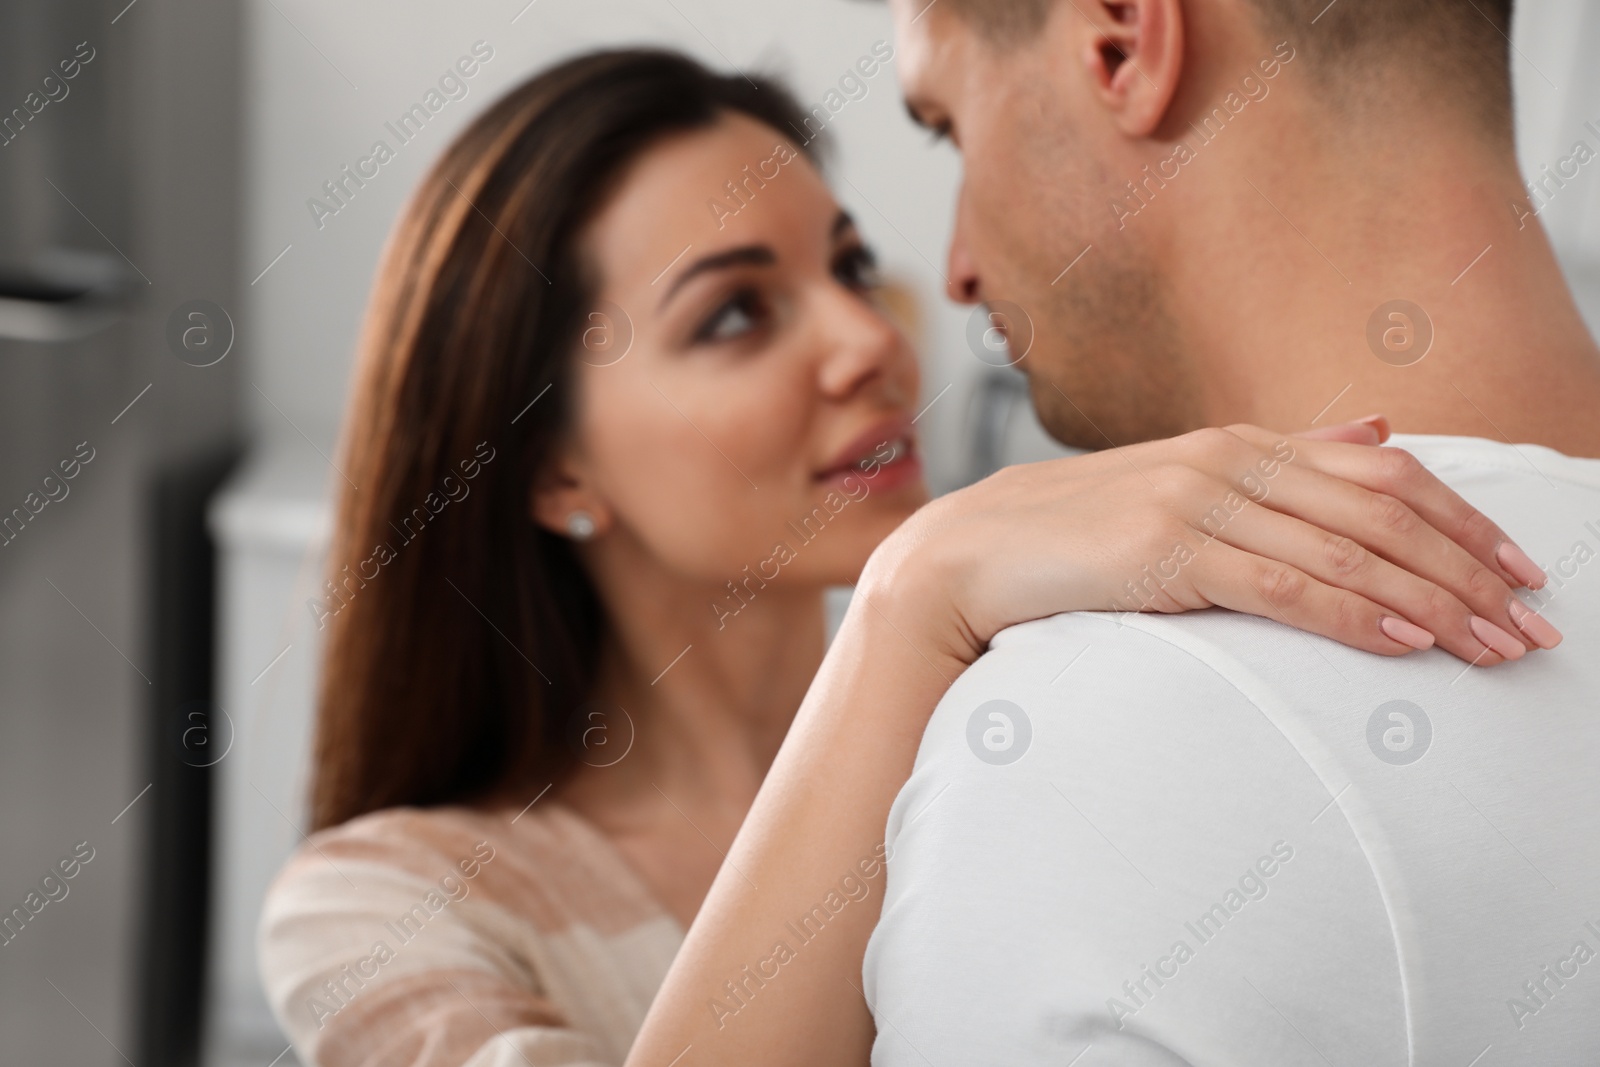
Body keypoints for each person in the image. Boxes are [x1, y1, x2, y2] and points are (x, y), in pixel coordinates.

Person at [258, 46, 1549, 1067]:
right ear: (554, 468)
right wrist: (905, 597)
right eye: (736, 313)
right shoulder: (388, 910)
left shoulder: (1015, 729)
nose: (868, 339)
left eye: (850, 265)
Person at [622, 0, 1600, 1064]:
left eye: (947, 123)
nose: (946, 273)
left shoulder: (1087, 733)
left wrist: (910, 594)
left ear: (1123, 42)